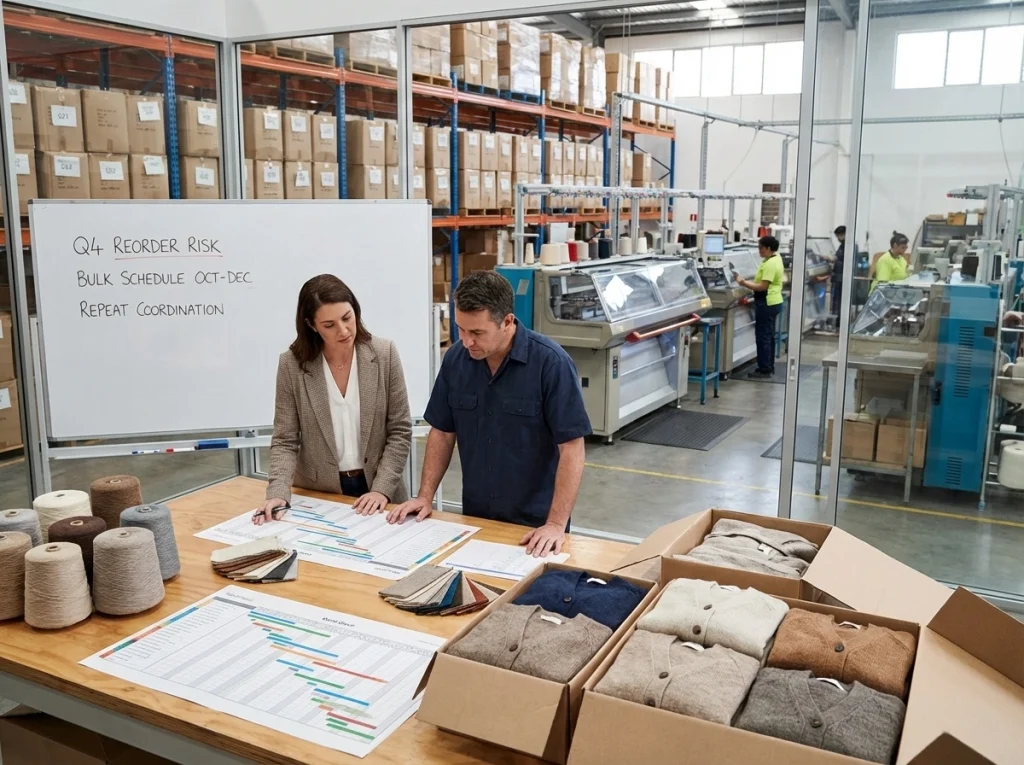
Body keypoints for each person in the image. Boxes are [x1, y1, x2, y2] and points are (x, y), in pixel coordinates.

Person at [387, 271, 591, 557]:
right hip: (476, 519)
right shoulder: (456, 360)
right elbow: (443, 432)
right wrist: (424, 496)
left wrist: (556, 524)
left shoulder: (551, 364)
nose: (467, 341)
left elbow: (571, 447)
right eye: (461, 329)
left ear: (507, 321)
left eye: (477, 333)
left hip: (536, 529)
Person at [254, 274, 412, 524]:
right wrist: (278, 493)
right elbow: (285, 439)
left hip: (383, 491)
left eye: (347, 318)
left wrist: (381, 489)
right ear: (311, 325)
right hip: (319, 494)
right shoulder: (291, 365)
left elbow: (400, 430)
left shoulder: (384, 354)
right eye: (329, 325)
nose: (343, 330)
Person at [733, 235, 785, 377]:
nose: (759, 251)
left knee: (763, 337)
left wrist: (742, 282)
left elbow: (762, 286)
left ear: (768, 248)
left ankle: (765, 369)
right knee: (769, 336)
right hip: (774, 301)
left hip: (767, 302)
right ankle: (768, 366)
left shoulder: (770, 264)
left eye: (761, 248)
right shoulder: (775, 258)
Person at [830, 225, 846, 317]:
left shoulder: (847, 246)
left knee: (839, 300)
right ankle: (836, 318)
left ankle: (837, 319)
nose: (838, 238)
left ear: (843, 234)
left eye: (839, 236)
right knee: (837, 299)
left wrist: (830, 258)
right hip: (838, 276)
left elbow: (837, 258)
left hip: (841, 277)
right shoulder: (842, 245)